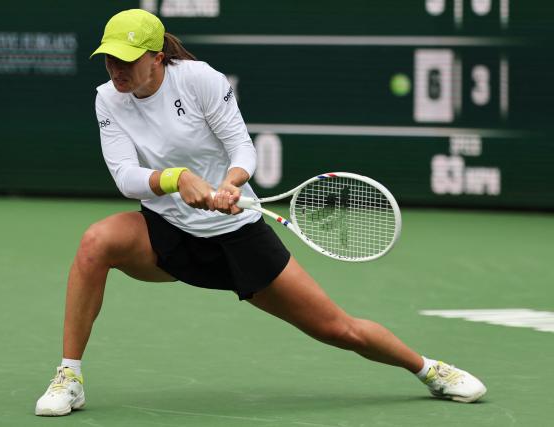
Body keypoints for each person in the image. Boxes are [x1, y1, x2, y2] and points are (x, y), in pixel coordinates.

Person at [35, 9, 487, 416]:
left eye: (126, 60)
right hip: (166, 230)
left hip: (238, 237)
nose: (116, 69)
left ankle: (429, 369)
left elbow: (241, 148)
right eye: (110, 59)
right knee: (96, 242)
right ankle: (69, 376)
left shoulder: (198, 80)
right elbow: (124, 175)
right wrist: (175, 179)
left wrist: (230, 184)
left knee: (338, 329)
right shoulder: (107, 99)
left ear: (155, 56)